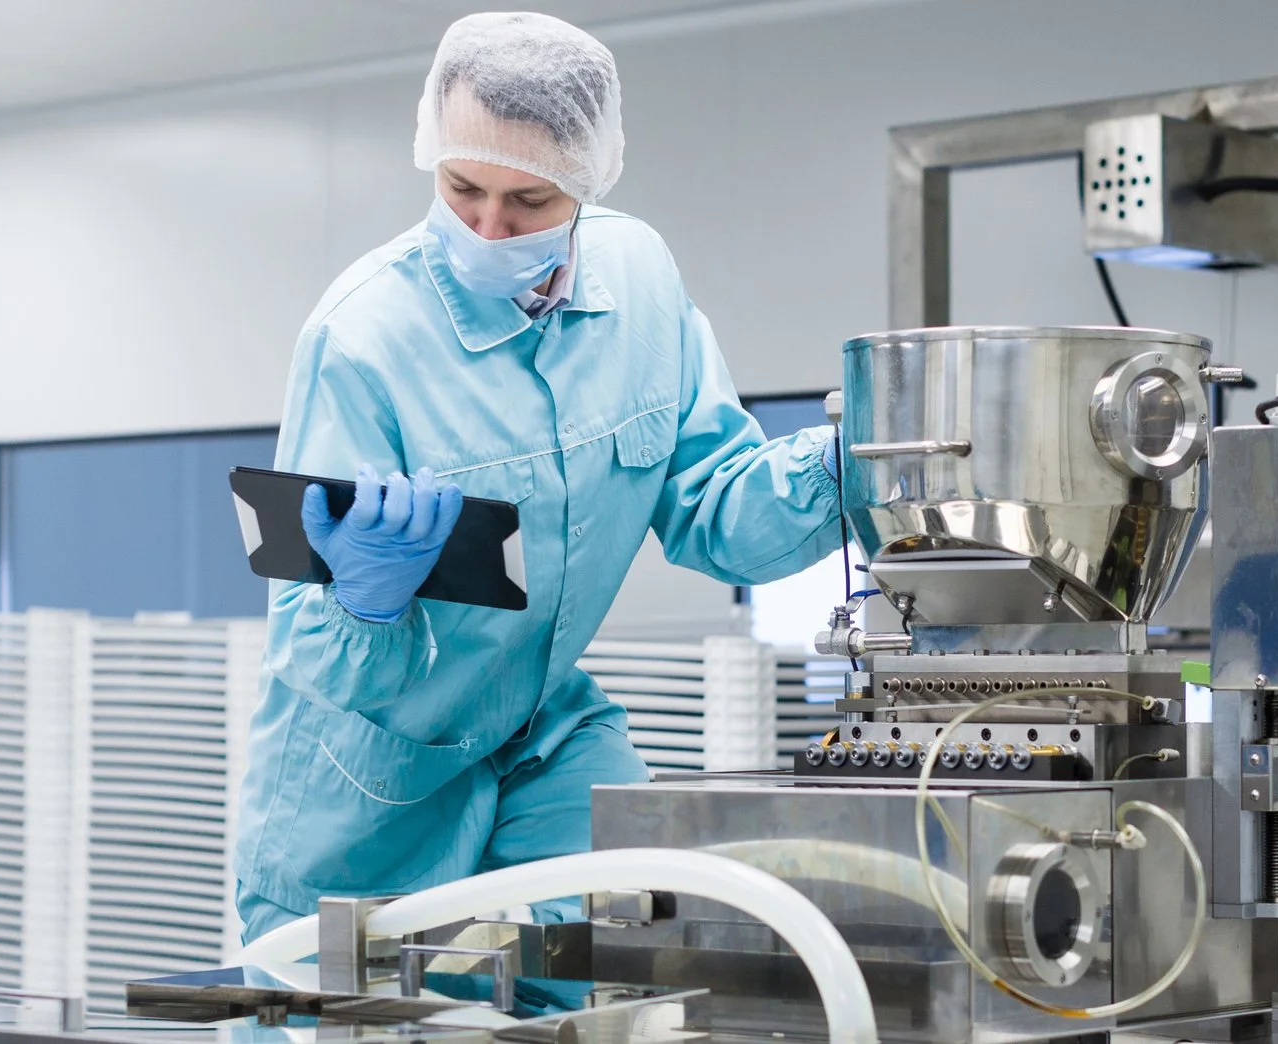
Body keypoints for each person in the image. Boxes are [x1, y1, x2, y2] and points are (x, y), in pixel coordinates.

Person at [232, 11, 843, 940]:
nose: (487, 226)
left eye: (531, 201)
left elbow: (716, 511)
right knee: (353, 1000)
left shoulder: (640, 282)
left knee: (621, 951)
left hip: (543, 729)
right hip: (371, 768)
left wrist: (859, 464)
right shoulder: (360, 340)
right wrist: (363, 603)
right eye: (463, 187)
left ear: (588, 185)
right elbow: (311, 643)